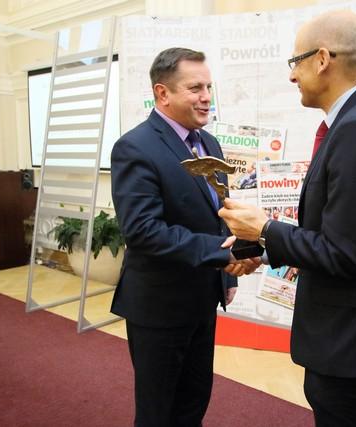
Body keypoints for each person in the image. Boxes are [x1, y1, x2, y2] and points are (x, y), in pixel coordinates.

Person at [218, 10, 356, 426]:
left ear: (321, 59)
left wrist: (265, 229)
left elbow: (346, 253)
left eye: (294, 62)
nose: (291, 76)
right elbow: (345, 234)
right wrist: (262, 249)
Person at [110, 47, 259, 427]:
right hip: (159, 307)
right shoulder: (134, 147)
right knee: (158, 411)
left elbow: (218, 215)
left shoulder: (210, 143)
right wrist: (220, 253)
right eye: (195, 88)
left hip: (202, 299)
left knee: (194, 400)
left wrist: (227, 275)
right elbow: (143, 230)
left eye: (208, 87)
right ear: (163, 93)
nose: (206, 97)